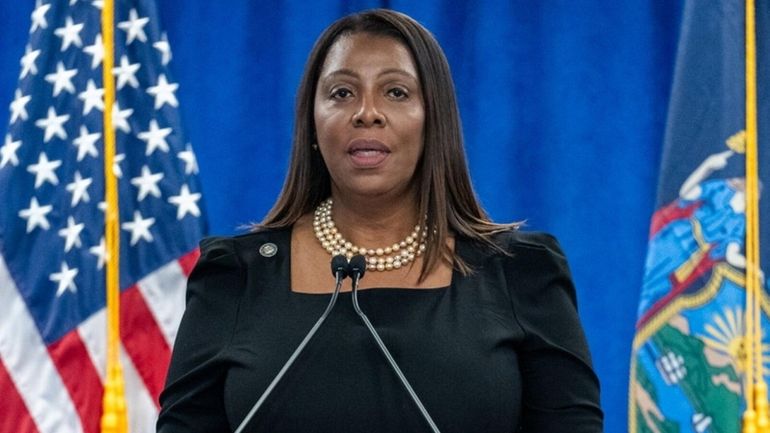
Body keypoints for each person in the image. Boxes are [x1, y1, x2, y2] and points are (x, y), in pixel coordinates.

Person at [157, 9, 602, 433]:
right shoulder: (235, 276)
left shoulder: (520, 272)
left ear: (434, 123)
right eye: (341, 93)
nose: (366, 112)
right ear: (313, 126)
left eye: (396, 92)